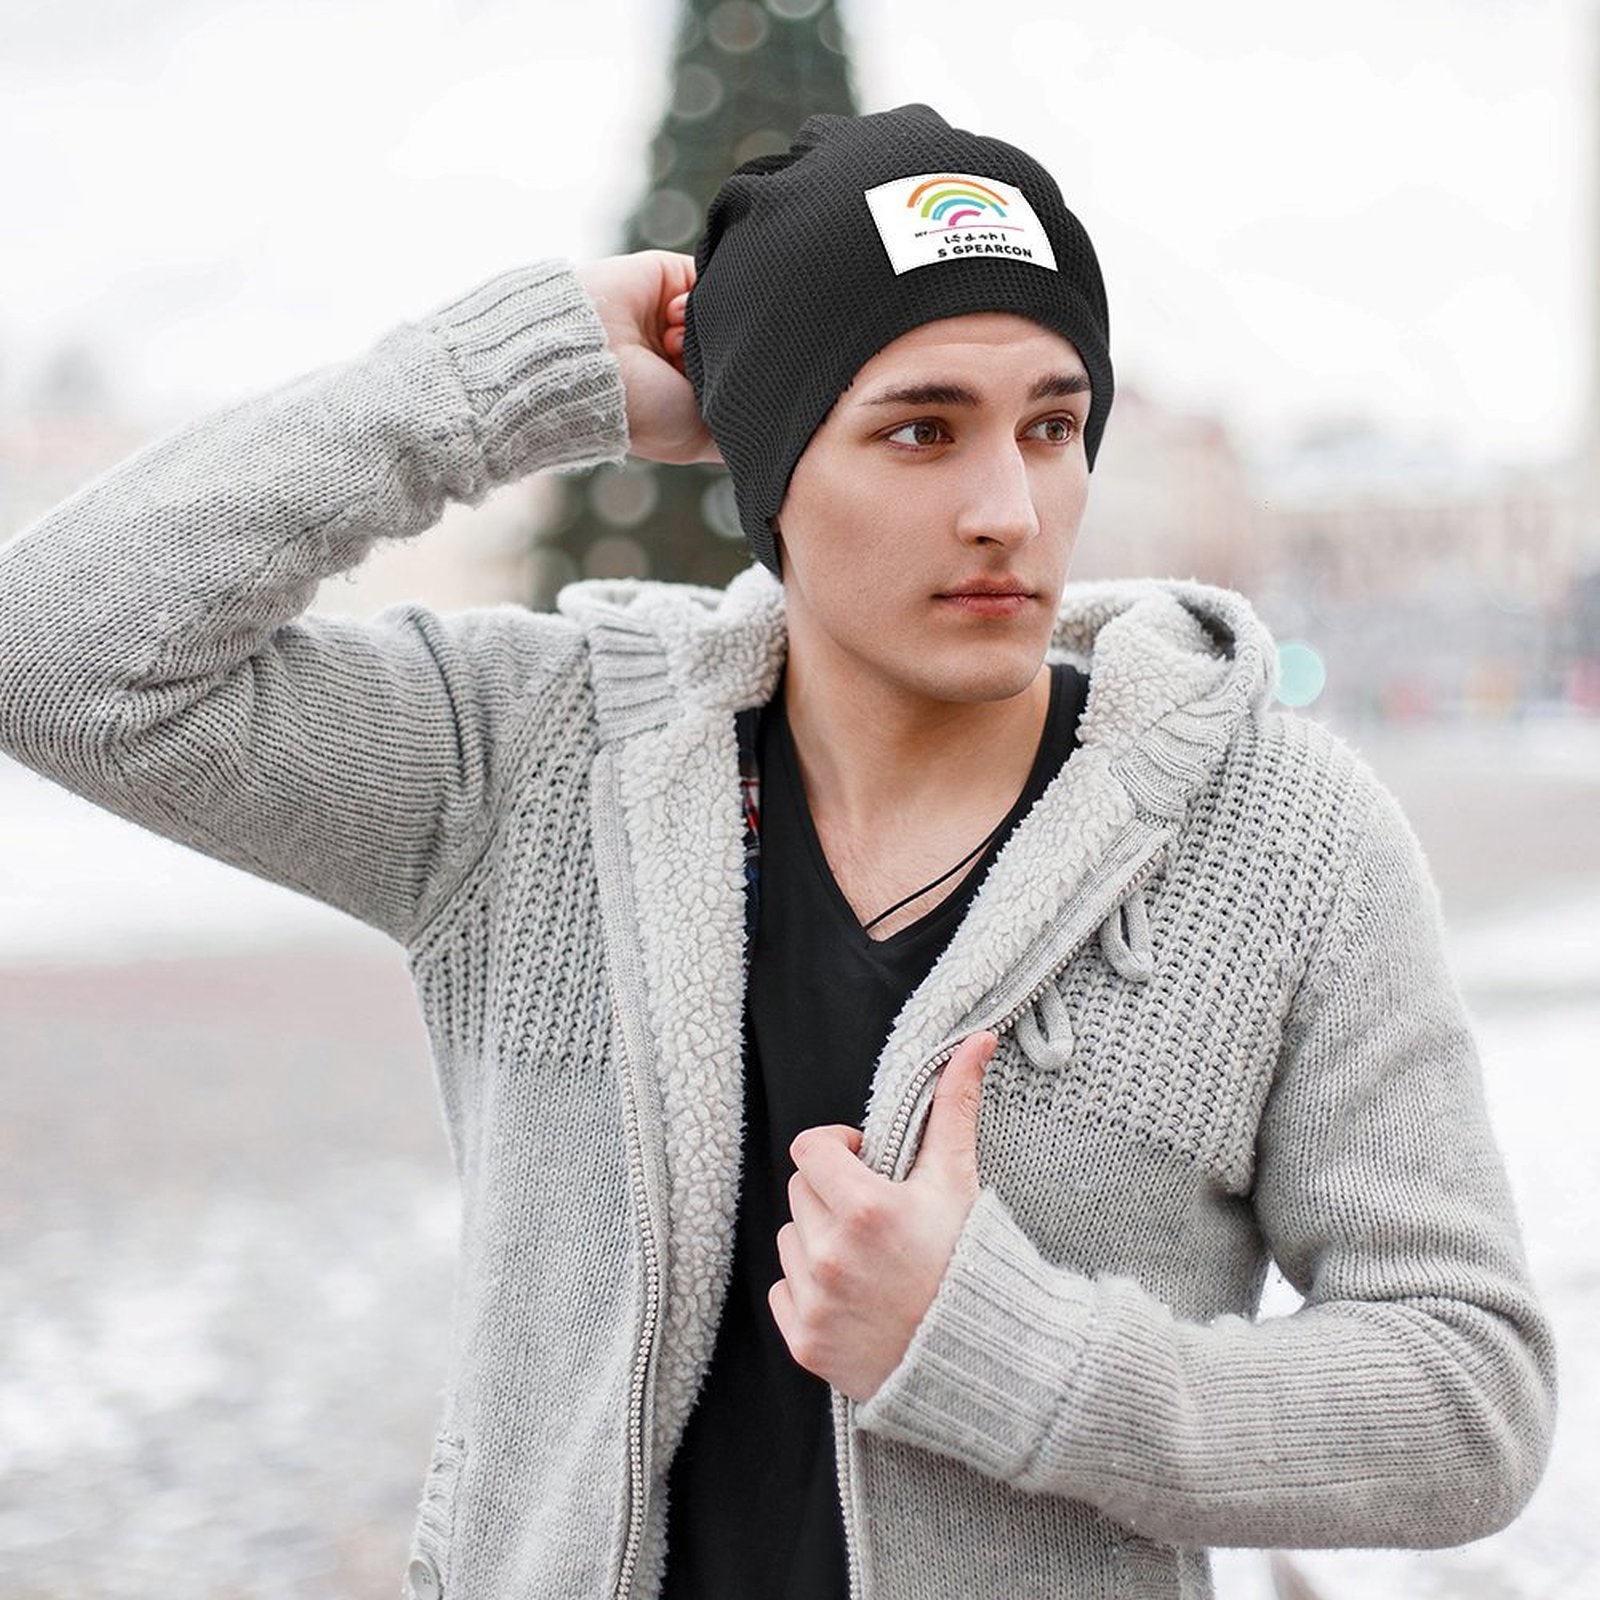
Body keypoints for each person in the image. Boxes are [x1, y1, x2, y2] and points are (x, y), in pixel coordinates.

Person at [0, 104, 1555, 1600]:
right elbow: (56, 649)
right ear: (773, 471)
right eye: (920, 430)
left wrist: (1009, 1356)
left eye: (1052, 425)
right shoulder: (535, 761)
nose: (1008, 508)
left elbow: (1466, 1394)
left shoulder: (1278, 837)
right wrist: (510, 379)